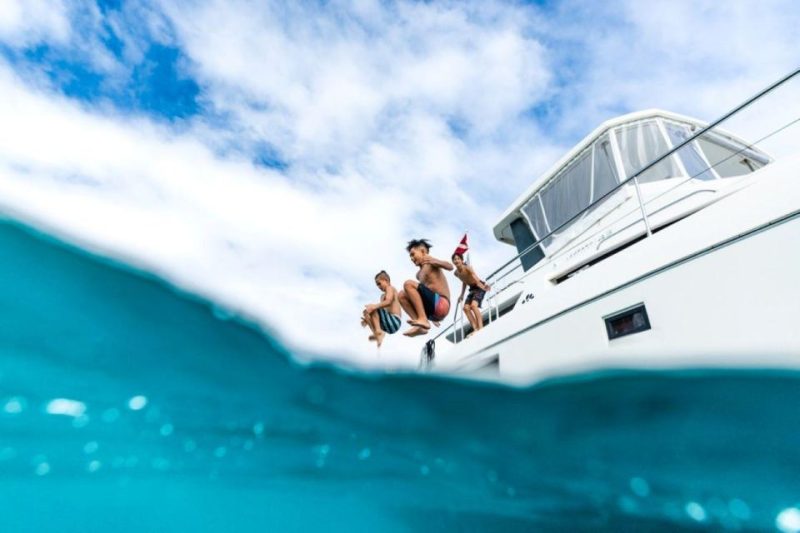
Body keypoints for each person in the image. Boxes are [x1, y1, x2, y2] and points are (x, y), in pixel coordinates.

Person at [398, 239, 453, 337]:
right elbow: (422, 292)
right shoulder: (418, 274)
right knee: (401, 295)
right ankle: (420, 326)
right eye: (410, 256)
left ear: (423, 251)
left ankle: (423, 319)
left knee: (408, 284)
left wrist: (436, 261)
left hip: (442, 304)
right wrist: (434, 319)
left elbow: (450, 267)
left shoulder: (431, 262)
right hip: (433, 311)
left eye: (413, 254)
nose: (411, 258)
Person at [452, 252, 491, 335]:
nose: (456, 260)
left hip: (479, 286)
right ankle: (475, 328)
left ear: (462, 260)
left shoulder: (467, 268)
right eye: (454, 259)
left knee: (473, 306)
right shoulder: (456, 273)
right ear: (453, 262)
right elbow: (464, 282)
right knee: (465, 308)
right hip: (472, 289)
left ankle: (480, 327)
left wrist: (483, 287)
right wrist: (461, 295)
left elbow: (475, 277)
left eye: (458, 259)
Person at [361, 270, 402, 347]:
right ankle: (378, 335)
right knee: (366, 312)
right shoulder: (382, 296)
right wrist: (368, 319)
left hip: (395, 321)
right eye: (377, 286)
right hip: (388, 325)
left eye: (379, 284)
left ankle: (379, 332)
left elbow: (388, 301)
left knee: (373, 308)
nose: (379, 287)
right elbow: (379, 315)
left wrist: (373, 307)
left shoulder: (390, 288)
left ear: (386, 280)